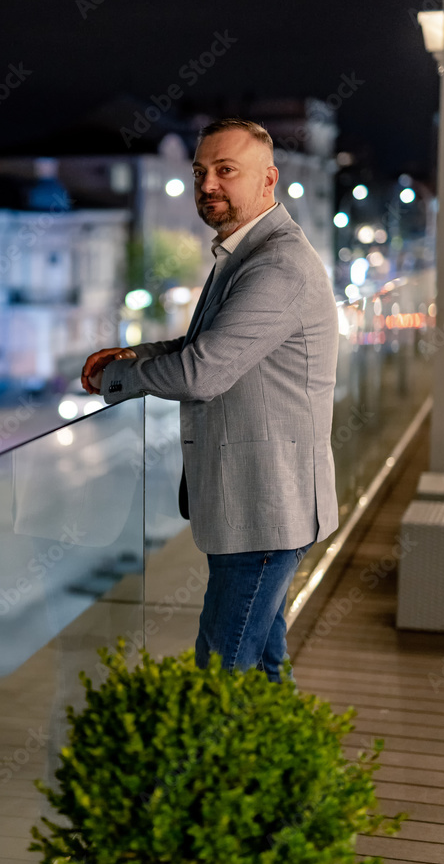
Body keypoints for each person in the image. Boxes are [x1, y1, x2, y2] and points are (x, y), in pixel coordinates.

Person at [81, 118, 338, 682]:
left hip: (265, 507)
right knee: (263, 669)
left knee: (221, 673)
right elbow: (204, 345)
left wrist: (115, 382)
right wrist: (130, 356)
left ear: (268, 180)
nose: (208, 185)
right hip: (254, 503)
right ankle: (289, 768)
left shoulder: (277, 266)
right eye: (200, 172)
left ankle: (222, 771)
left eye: (226, 170)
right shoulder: (246, 254)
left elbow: (200, 372)